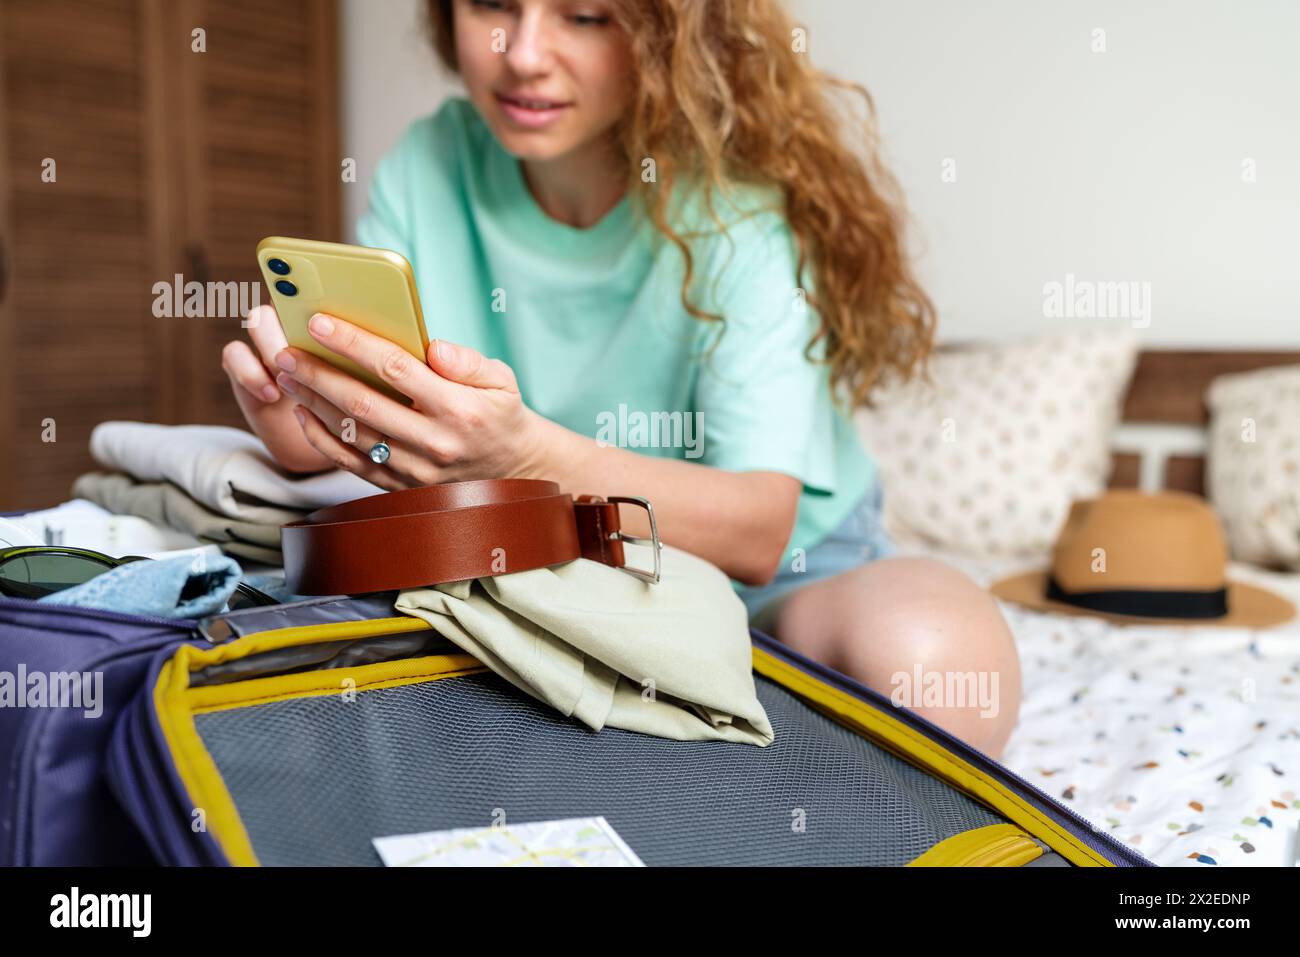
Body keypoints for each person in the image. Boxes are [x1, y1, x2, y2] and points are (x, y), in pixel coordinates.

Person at [221, 0, 1021, 756]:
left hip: (783, 574)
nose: (523, 55)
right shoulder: (430, 162)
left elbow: (759, 531)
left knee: (946, 672)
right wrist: (299, 416)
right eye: (492, 4)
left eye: (586, 15)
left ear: (670, 33)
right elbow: (379, 432)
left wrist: (523, 456)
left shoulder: (734, 200)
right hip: (561, 570)